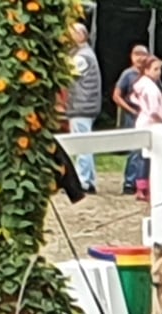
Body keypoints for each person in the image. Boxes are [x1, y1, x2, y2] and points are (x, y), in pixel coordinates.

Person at [66, 22, 101, 194]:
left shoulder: (82, 57)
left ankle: (83, 181)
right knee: (85, 142)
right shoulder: (87, 54)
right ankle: (89, 179)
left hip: (81, 105)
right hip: (85, 105)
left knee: (81, 144)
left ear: (81, 35)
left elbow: (65, 72)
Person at [113, 44, 149, 195]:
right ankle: (130, 181)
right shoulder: (128, 74)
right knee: (135, 150)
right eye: (137, 54)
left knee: (145, 151)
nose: (140, 57)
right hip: (133, 115)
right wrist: (130, 109)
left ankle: (142, 181)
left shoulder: (149, 74)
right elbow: (116, 95)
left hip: (147, 115)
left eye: (143, 54)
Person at [132, 55, 162, 201]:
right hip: (151, 123)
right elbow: (154, 110)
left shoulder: (141, 85)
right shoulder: (151, 88)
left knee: (143, 157)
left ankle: (141, 186)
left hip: (143, 120)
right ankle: (144, 188)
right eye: (155, 69)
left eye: (160, 69)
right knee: (147, 158)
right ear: (146, 70)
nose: (159, 72)